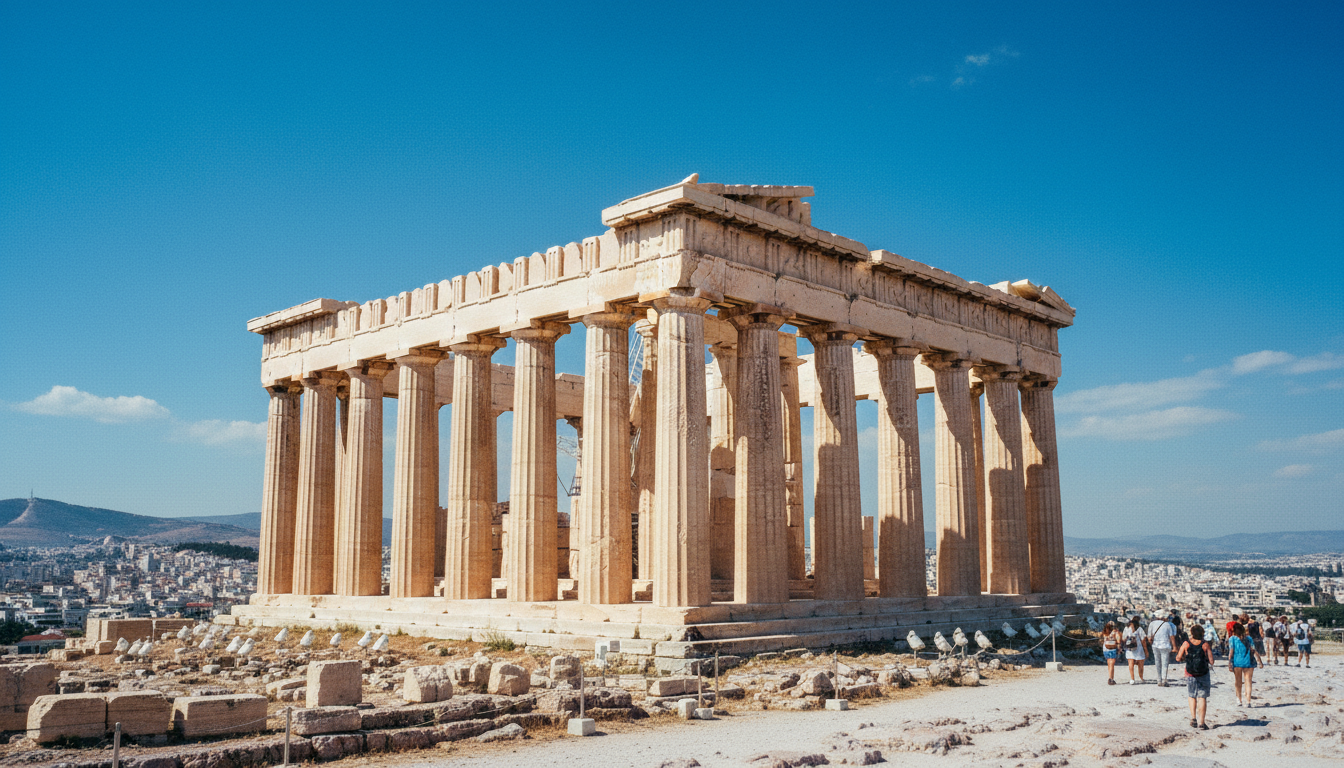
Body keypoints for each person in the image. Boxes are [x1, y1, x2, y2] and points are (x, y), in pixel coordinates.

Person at [1177, 623, 1214, 730]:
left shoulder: (1186, 644)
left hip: (1190, 672)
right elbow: (1212, 661)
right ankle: (1202, 723)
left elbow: (1178, 658)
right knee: (1202, 697)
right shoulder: (1205, 645)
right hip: (1203, 673)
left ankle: (1193, 718)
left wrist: (1185, 657)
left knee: (1192, 695)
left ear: (1192, 633)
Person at [1227, 621, 1257, 707]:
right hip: (1248, 662)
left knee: (1238, 681)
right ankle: (1248, 701)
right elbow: (1253, 649)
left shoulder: (1232, 639)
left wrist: (1229, 662)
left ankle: (1239, 700)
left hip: (1237, 662)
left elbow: (1231, 651)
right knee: (1248, 681)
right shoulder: (1249, 638)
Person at [1148, 613, 1178, 687]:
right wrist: (1174, 647)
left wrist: (1152, 643)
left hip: (1155, 645)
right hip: (1165, 645)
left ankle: (1159, 679)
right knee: (1165, 663)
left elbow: (1149, 637)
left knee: (1157, 662)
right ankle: (1164, 679)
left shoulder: (1152, 624)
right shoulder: (1167, 624)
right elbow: (1172, 636)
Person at [1123, 615, 1148, 684]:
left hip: (1129, 648)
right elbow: (1143, 640)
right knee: (1140, 664)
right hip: (1139, 648)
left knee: (1130, 663)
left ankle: (1132, 679)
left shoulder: (1126, 628)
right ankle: (1141, 677)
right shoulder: (1139, 628)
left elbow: (1123, 638)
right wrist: (1146, 650)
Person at [1101, 621, 1121, 685]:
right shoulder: (1115, 632)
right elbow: (1118, 640)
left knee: (1109, 663)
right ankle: (1111, 678)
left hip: (1105, 648)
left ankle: (1110, 676)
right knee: (1112, 664)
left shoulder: (1104, 632)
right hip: (1112, 648)